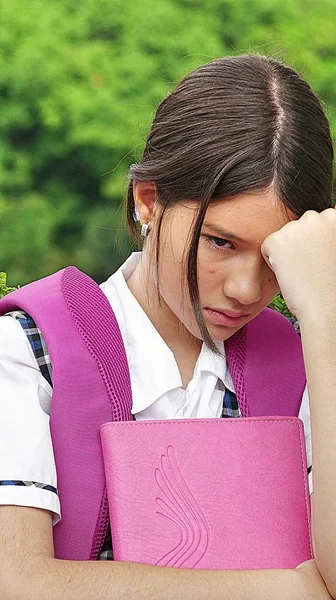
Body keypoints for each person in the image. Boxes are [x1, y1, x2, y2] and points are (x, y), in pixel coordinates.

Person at [0, 54, 335, 599]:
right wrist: (292, 590)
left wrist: (326, 317)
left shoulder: (309, 368)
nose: (246, 289)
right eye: (220, 242)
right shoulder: (29, 352)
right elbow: (16, 582)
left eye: (275, 256)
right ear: (149, 199)